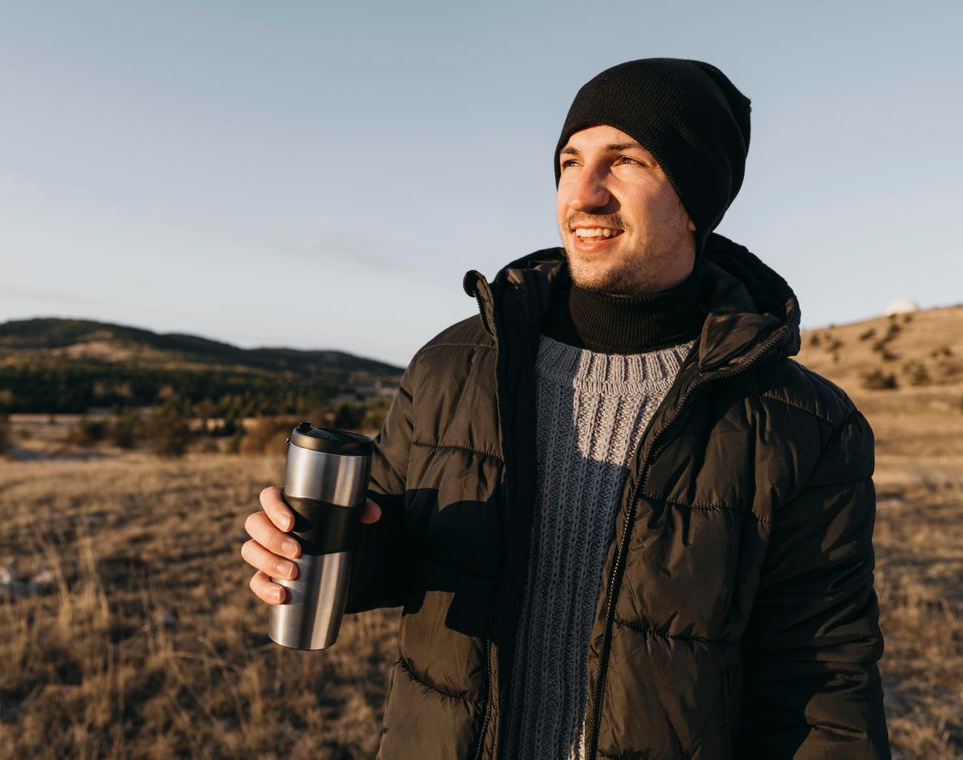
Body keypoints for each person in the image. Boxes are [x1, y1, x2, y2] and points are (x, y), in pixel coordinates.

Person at [242, 58, 891, 759]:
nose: (583, 194)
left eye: (626, 161)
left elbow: (823, 692)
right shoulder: (452, 367)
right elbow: (400, 547)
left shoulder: (803, 427)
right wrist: (319, 551)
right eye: (570, 160)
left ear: (697, 196)